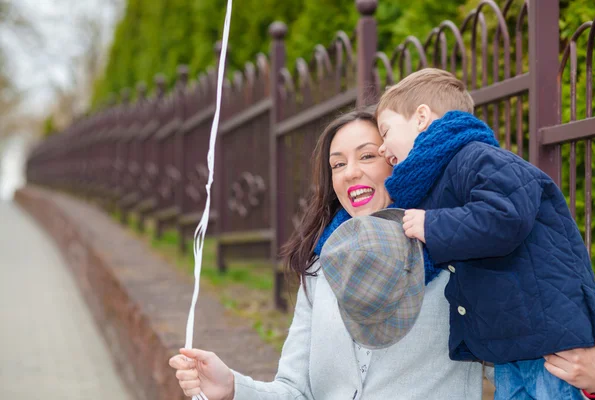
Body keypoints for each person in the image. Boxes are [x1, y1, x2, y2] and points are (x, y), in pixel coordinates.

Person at [169, 109, 492, 399]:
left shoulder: (459, 256)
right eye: (337, 164)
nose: (350, 172)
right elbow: (295, 391)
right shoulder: (320, 267)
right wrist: (232, 388)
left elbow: (509, 364)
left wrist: (543, 351)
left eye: (367, 156)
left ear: (398, 159)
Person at [369, 67, 595, 399]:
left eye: (386, 131)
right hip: (514, 343)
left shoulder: (478, 158)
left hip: (552, 345)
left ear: (421, 117)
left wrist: (432, 225)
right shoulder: (446, 176)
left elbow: (505, 217)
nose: (381, 148)